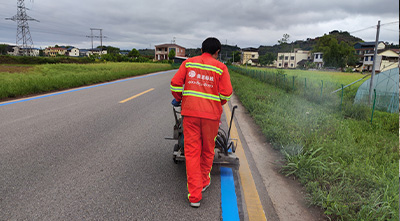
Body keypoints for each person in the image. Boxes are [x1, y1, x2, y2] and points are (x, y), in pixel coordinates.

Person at [170, 37, 233, 208]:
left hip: (190, 114)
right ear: (217, 51)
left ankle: (195, 196)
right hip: (211, 117)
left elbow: (175, 84)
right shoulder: (220, 67)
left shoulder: (189, 63)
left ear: (201, 49)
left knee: (191, 152)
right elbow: (226, 93)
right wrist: (217, 103)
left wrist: (180, 98)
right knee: (208, 149)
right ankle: (204, 181)